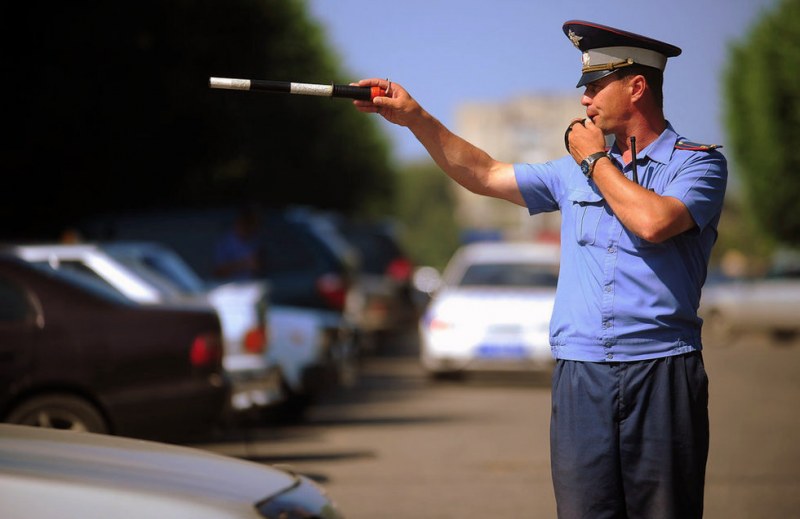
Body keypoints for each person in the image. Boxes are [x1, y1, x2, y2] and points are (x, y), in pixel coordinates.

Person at [353, 20, 727, 519]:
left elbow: (654, 222)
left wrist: (595, 162)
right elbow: (485, 173)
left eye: (596, 86)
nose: (585, 100)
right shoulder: (572, 171)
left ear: (637, 87)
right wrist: (414, 118)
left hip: (661, 369)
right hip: (581, 374)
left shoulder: (696, 165)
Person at [212, 205, 263, 281]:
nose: (253, 228)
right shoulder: (225, 242)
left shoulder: (255, 240)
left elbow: (261, 267)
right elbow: (218, 272)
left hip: (252, 283)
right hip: (230, 285)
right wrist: (243, 264)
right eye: (249, 223)